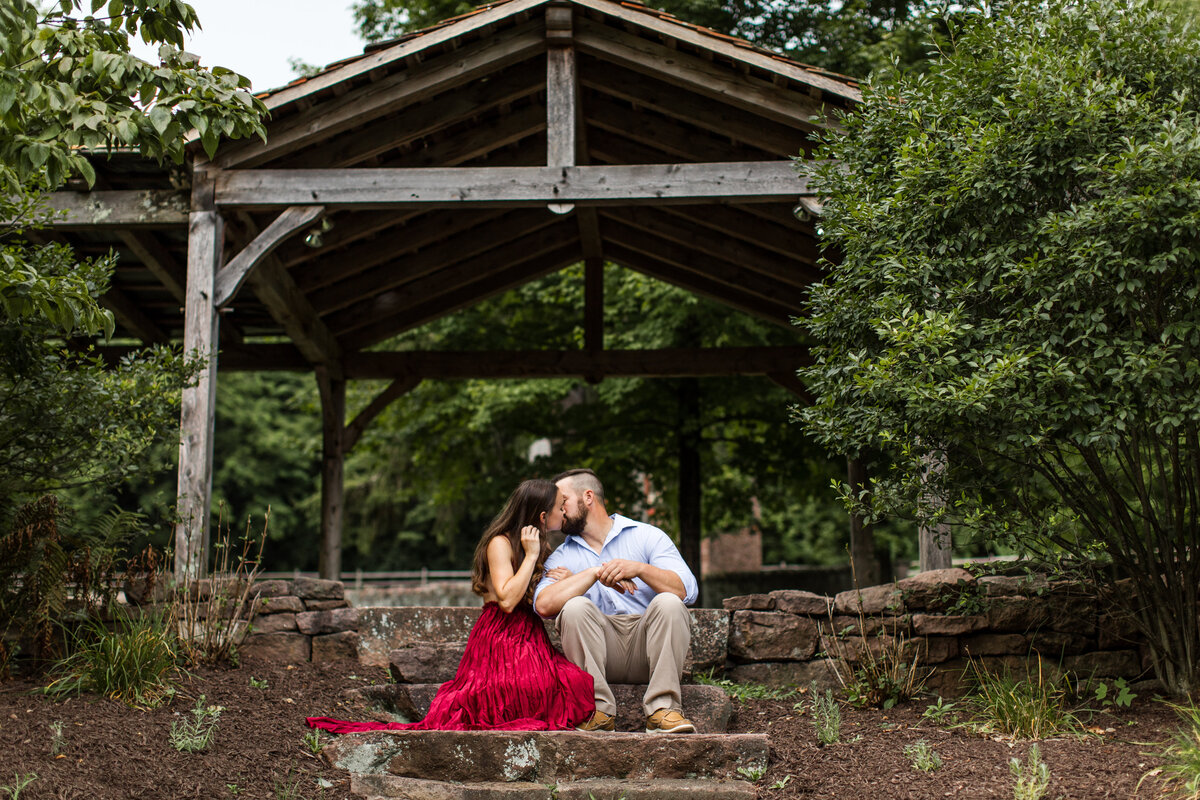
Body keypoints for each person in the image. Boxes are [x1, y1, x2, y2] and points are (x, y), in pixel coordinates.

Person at [306, 479, 595, 733]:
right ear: (543, 516)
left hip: (529, 633)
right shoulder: (501, 543)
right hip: (502, 634)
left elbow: (533, 599)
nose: (565, 510)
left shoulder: (537, 545)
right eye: (560, 506)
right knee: (521, 689)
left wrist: (558, 580)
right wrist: (531, 557)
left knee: (570, 682)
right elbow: (507, 601)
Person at [533, 468, 699, 734]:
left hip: (649, 649)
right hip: (599, 652)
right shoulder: (561, 556)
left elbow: (686, 590)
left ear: (588, 497)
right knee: (574, 607)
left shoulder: (647, 536)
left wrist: (640, 569)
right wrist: (592, 574)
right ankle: (597, 711)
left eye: (563, 501)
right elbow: (543, 604)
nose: (559, 510)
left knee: (669, 602)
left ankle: (663, 710)